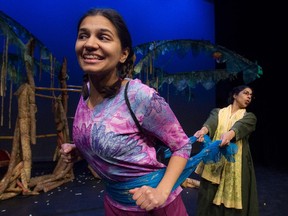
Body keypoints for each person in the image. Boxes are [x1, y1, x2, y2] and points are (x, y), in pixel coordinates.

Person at [60, 8, 192, 215]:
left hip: (154, 208)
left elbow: (182, 146)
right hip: (114, 205)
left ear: (123, 54)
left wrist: (161, 193)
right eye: (83, 36)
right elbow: (112, 138)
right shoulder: (85, 93)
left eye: (103, 37)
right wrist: (82, 150)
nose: (90, 44)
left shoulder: (139, 96)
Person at [193, 85, 259, 216]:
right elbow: (211, 123)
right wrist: (203, 131)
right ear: (235, 95)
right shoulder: (218, 112)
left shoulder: (249, 117)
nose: (249, 97)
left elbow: (240, 127)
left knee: (232, 203)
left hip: (236, 164)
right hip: (214, 160)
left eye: (251, 95)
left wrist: (229, 135)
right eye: (246, 93)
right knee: (207, 197)